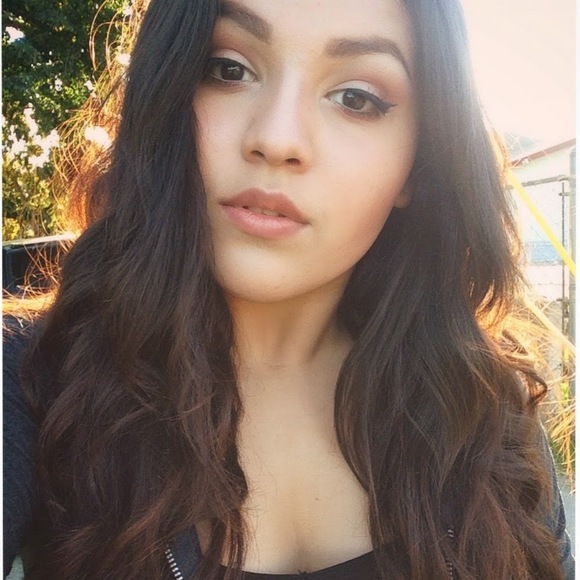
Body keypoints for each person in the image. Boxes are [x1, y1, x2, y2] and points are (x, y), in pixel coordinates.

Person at [3, 0, 574, 578]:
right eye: (228, 69)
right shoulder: (33, 382)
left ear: (418, 166)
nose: (276, 139)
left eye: (357, 98)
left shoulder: (483, 410)